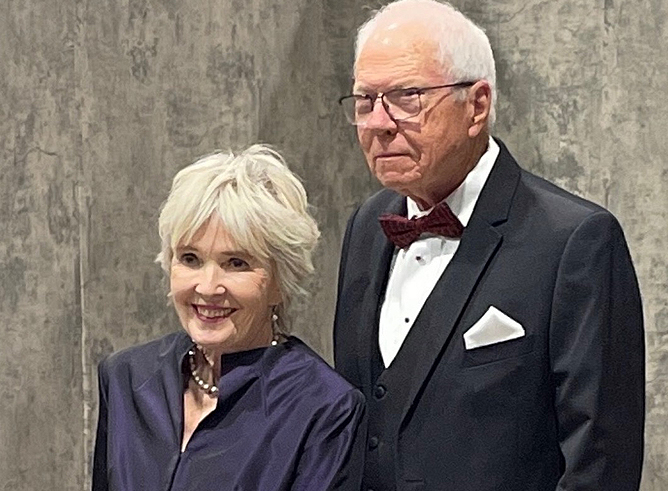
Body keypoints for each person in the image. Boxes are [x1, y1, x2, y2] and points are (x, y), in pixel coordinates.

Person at [333, 1, 645, 490]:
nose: (378, 123)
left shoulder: (574, 241)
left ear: (476, 105)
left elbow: (599, 465)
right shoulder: (365, 227)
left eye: (406, 97)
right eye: (366, 100)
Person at [92, 144, 365, 491]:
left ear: (281, 281)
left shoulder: (325, 408)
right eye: (190, 258)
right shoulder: (125, 378)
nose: (207, 287)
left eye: (236, 263)